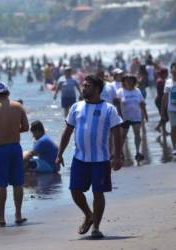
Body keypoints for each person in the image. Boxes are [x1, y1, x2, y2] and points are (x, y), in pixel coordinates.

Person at [56, 75, 123, 239]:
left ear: (98, 89)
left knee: (98, 193)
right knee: (74, 190)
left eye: (87, 86)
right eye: (83, 85)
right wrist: (59, 153)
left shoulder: (109, 109)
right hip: (79, 158)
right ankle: (88, 214)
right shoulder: (76, 107)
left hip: (100, 160)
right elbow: (67, 131)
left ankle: (96, 228)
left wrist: (118, 156)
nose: (84, 88)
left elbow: (117, 133)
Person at [0, 82, 29, 226]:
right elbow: (26, 127)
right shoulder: (18, 106)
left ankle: (1, 217)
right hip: (15, 148)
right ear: (8, 93)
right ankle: (18, 215)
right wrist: (13, 130)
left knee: (1, 185)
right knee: (18, 183)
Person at [116, 75, 148, 162]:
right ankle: (119, 152)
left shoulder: (137, 91)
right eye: (127, 80)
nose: (129, 82)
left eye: (131, 80)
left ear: (134, 81)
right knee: (123, 136)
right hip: (124, 117)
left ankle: (138, 152)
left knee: (137, 133)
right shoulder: (120, 92)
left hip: (136, 116)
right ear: (124, 82)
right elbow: (116, 104)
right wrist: (118, 115)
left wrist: (145, 114)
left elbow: (142, 103)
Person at [161, 62, 176, 155]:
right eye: (173, 69)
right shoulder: (168, 82)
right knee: (174, 128)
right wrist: (162, 111)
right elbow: (165, 97)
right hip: (171, 109)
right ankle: (175, 147)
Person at [155, 68, 168, 134]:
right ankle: (160, 128)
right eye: (166, 73)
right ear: (163, 74)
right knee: (164, 116)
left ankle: (161, 129)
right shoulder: (160, 81)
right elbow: (161, 93)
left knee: (165, 116)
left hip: (162, 100)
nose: (167, 74)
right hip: (160, 101)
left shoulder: (163, 81)